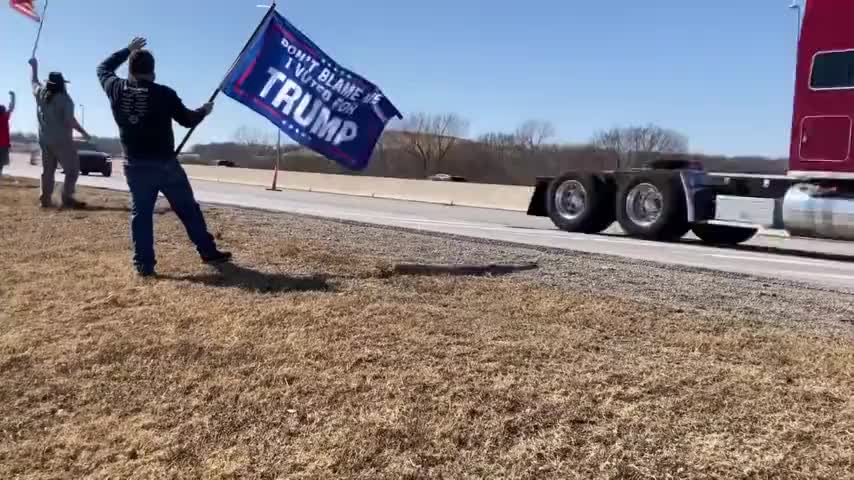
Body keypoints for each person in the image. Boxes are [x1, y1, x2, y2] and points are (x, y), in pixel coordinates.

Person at [97, 37, 231, 277]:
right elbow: (187, 120)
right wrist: (204, 110)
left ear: (130, 70)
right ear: (153, 72)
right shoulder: (164, 94)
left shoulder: (115, 88)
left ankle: (144, 265)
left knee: (141, 215)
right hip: (166, 164)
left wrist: (127, 50)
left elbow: (103, 68)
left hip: (135, 165)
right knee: (188, 209)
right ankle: (208, 251)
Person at [29, 58, 90, 208]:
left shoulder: (41, 94)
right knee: (72, 171)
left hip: (44, 140)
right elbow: (70, 121)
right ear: (63, 84)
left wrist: (34, 67)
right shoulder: (65, 100)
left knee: (48, 171)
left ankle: (45, 200)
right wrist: (83, 133)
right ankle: (66, 197)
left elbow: (34, 81)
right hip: (62, 141)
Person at [0, 91, 14, 178]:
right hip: (4, 144)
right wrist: (13, 97)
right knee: (1, 161)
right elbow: (11, 107)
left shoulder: (5, 117)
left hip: (4, 144)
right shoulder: (5, 117)